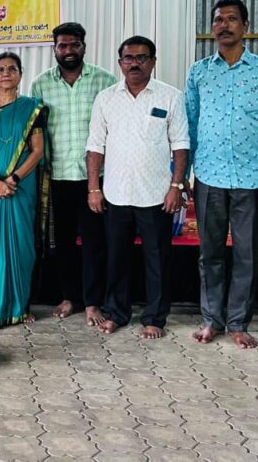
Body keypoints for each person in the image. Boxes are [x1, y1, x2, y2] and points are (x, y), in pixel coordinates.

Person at [185, 0, 258, 349]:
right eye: (218, 20)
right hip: (209, 176)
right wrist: (183, 176)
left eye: (231, 19)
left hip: (251, 179)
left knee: (246, 256)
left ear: (246, 26)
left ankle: (238, 323)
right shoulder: (199, 72)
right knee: (209, 254)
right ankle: (211, 320)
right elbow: (190, 127)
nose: (224, 25)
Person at [87, 36, 189, 339]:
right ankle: (116, 313)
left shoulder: (170, 96)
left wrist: (176, 186)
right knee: (117, 259)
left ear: (153, 62)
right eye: (128, 58)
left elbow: (180, 144)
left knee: (157, 260)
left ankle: (154, 318)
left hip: (156, 195)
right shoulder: (106, 98)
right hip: (116, 193)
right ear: (120, 63)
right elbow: (95, 145)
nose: (135, 63)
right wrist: (94, 188)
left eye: (141, 58)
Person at [30, 23, 117, 325]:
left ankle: (93, 302)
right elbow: (36, 133)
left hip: (95, 179)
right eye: (62, 46)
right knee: (63, 243)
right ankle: (70, 296)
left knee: (95, 242)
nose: (68, 51)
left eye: (74, 45)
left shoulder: (105, 81)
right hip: (56, 177)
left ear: (83, 46)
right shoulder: (41, 85)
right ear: (54, 49)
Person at [0, 52, 47, 328]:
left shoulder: (33, 108)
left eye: (12, 69)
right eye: (0, 69)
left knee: (21, 245)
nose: (6, 74)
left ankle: (17, 307)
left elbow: (37, 151)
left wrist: (13, 179)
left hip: (19, 187)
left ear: (20, 74)